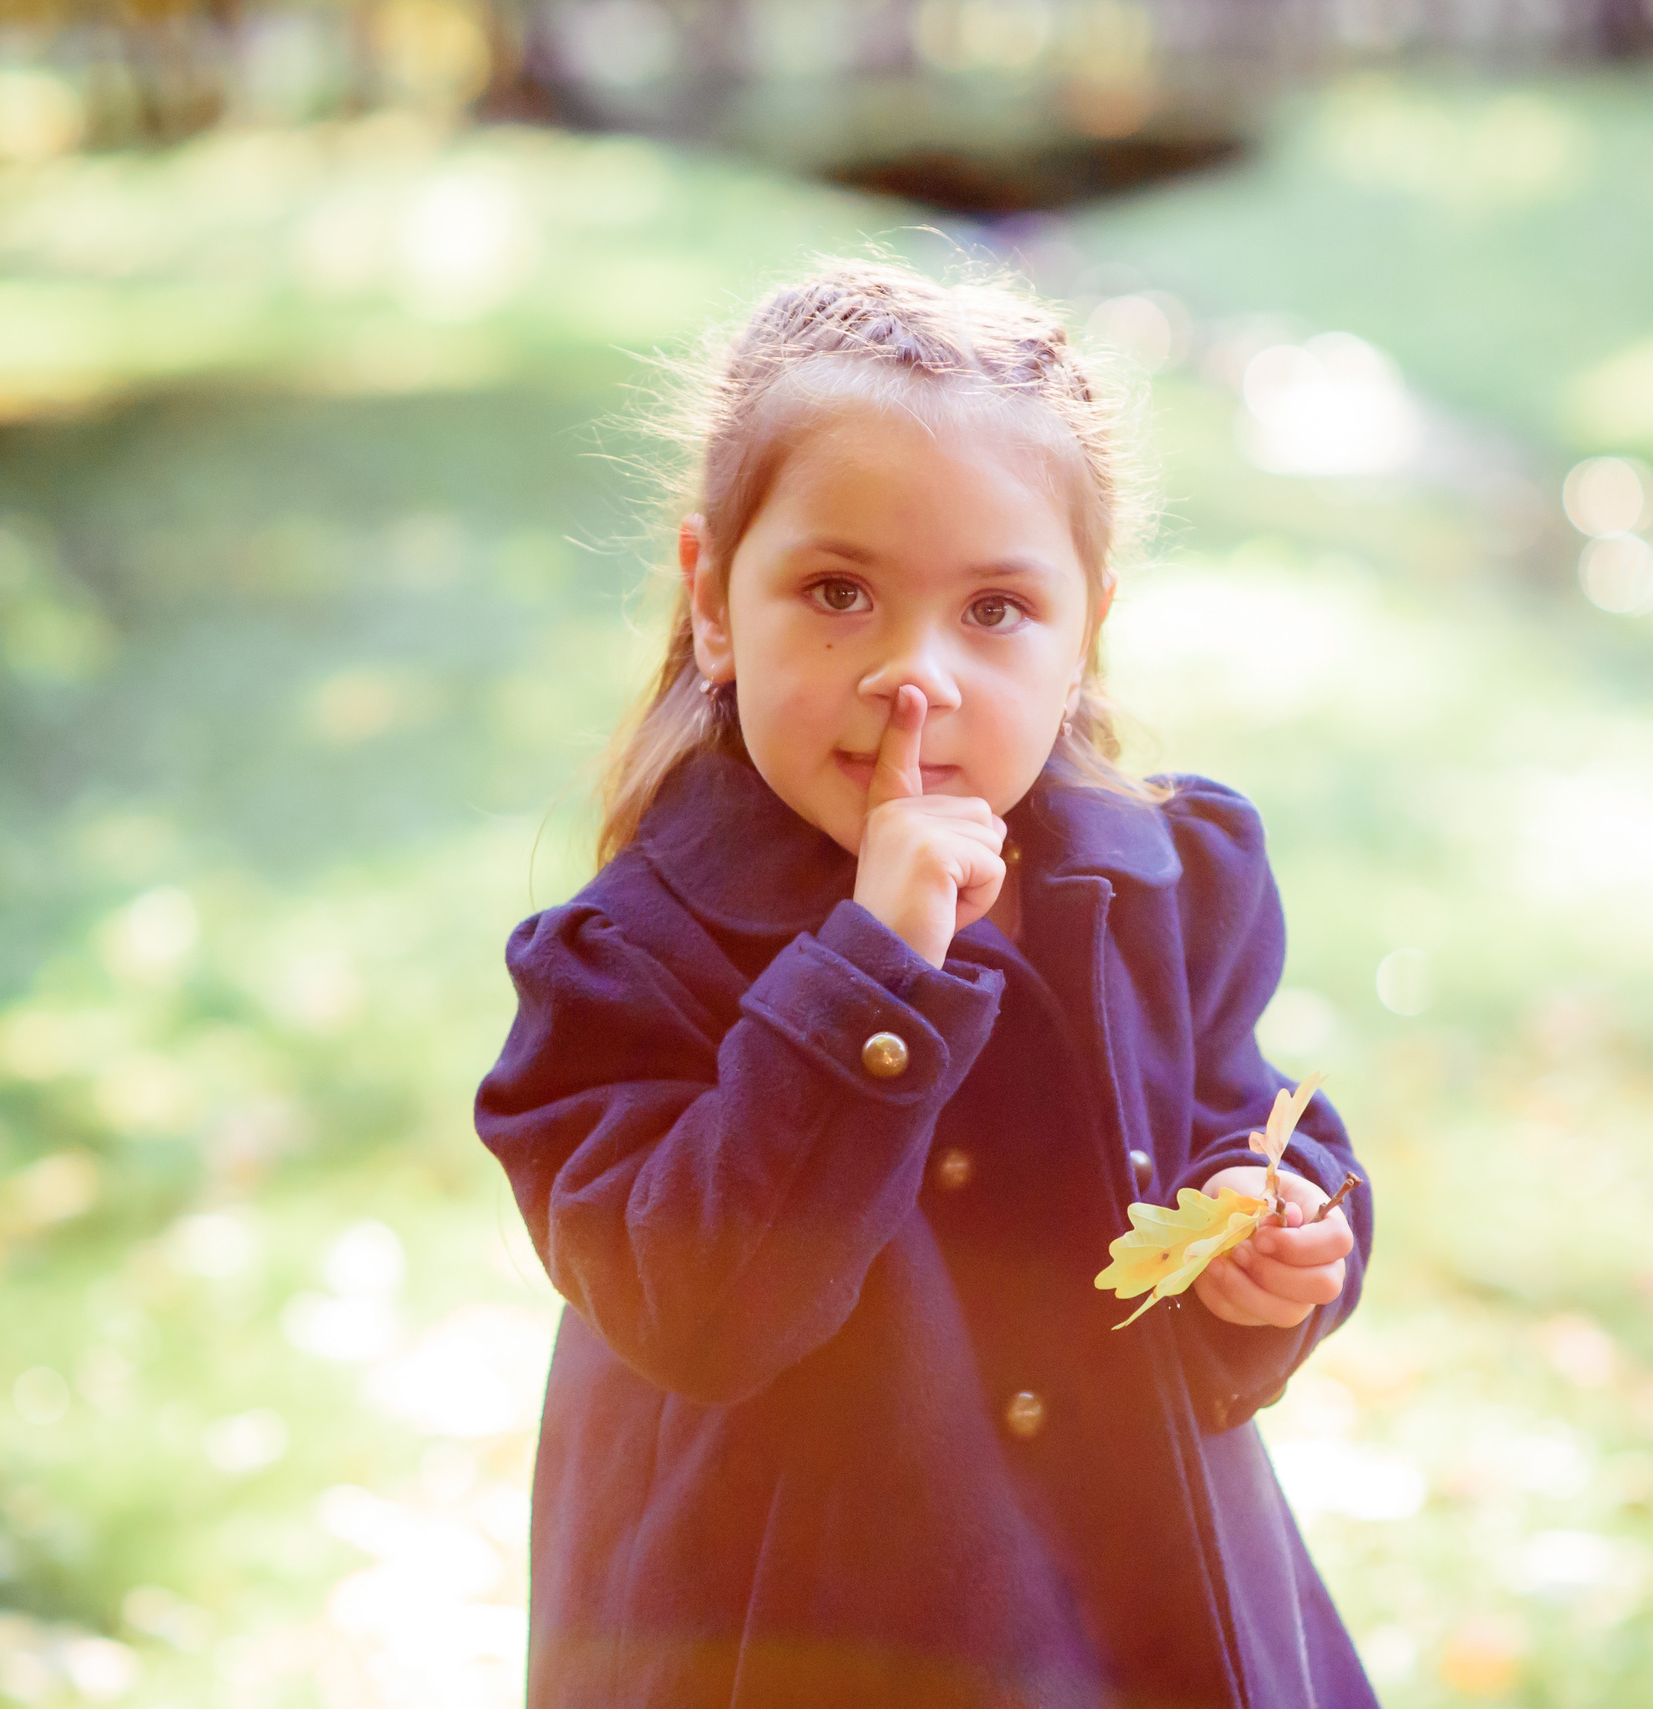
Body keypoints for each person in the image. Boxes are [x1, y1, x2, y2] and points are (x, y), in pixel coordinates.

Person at [472, 259, 1375, 1709]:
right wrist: (870, 976)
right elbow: (696, 1304)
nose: (915, 675)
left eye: (998, 609)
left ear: (1085, 629)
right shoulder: (627, 961)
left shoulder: (1162, 880)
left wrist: (1285, 1241)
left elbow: (1234, 1120)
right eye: (838, 592)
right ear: (713, 601)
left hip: (1137, 1617)